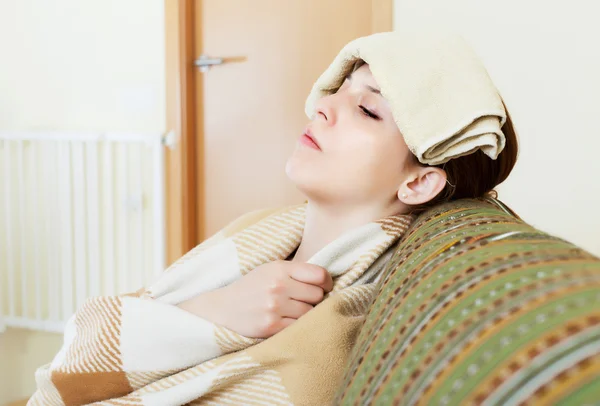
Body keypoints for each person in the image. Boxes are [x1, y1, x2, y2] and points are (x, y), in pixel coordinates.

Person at [29, 28, 518, 405]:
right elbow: (77, 354)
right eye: (340, 89)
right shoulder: (259, 228)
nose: (324, 106)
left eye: (368, 110)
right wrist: (218, 311)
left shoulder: (343, 321)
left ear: (417, 181)